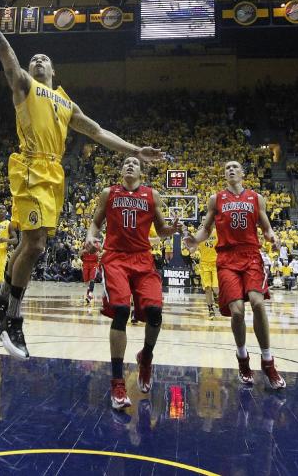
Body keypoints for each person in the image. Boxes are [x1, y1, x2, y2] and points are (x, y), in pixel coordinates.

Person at [0, 0, 162, 358]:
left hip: (55, 174)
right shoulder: (22, 84)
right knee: (35, 245)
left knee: (29, 244)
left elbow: (98, 131)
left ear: (54, 71)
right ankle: (14, 318)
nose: (37, 59)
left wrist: (136, 148)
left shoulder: (64, 101)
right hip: (30, 166)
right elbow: (4, 48)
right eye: (34, 57)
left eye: (45, 59)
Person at [84, 156, 180, 409]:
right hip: (115, 257)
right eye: (126, 162)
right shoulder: (109, 193)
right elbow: (95, 222)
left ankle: (145, 357)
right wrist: (90, 238)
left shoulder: (152, 195)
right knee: (121, 311)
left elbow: (161, 231)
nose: (130, 165)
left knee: (155, 312)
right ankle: (117, 382)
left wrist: (172, 229)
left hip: (143, 258)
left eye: (135, 163)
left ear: (141, 171)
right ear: (121, 170)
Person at [184, 160, 286, 389]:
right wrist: (195, 240)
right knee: (237, 311)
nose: (230, 169)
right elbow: (206, 229)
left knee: (258, 303)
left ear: (242, 173)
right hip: (227, 258)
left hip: (250, 255)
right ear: (224, 174)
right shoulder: (216, 199)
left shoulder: (255, 198)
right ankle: (242, 358)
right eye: (227, 167)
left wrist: (272, 237)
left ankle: (268, 362)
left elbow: (266, 227)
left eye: (234, 167)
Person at [197, 236, 219, 318]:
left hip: (215, 263)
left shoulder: (217, 231)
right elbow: (193, 248)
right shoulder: (200, 233)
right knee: (207, 288)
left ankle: (216, 297)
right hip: (204, 264)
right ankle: (210, 309)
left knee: (216, 288)